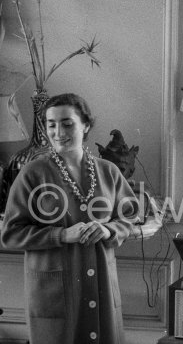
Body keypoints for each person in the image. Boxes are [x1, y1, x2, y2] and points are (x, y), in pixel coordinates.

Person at [1, 93, 139, 344]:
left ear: (85, 125)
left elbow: (130, 215)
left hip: (102, 289)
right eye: (51, 124)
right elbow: (11, 233)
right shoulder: (33, 173)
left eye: (67, 123)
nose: (58, 132)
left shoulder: (108, 171)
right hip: (55, 295)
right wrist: (62, 235)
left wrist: (108, 230)